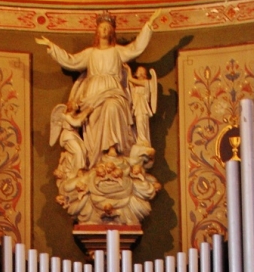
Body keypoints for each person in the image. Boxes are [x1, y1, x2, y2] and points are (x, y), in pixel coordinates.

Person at [37, 11, 162, 174]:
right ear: (97, 31)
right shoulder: (90, 53)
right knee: (94, 117)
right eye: (102, 27)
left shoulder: (118, 51)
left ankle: (113, 149)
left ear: (112, 32)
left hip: (114, 91)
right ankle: (95, 160)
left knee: (112, 106)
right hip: (92, 95)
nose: (104, 30)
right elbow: (71, 61)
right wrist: (52, 48)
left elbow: (136, 47)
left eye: (107, 28)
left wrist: (149, 25)